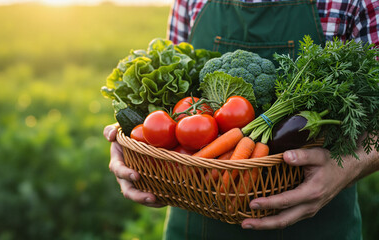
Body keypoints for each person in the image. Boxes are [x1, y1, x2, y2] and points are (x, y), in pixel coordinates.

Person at [104, 0, 379, 239]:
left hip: (318, 227)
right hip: (194, 222)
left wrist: (347, 168)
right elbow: (173, 101)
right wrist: (132, 145)